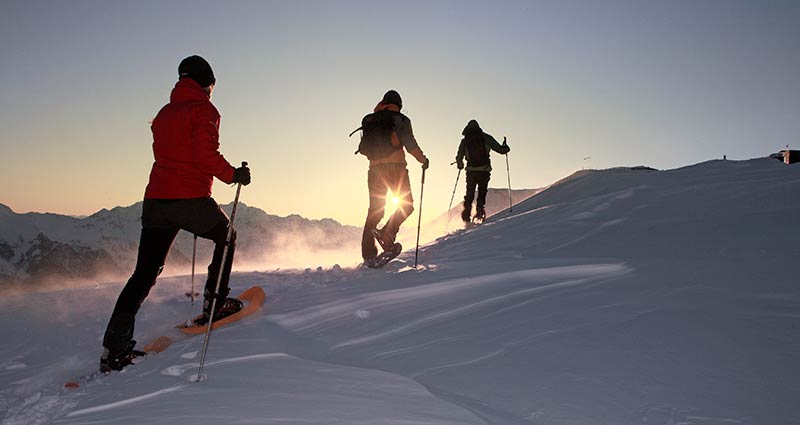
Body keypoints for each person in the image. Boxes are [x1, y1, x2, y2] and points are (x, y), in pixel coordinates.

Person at [100, 55, 251, 373]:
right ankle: (216, 302)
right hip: (190, 198)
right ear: (207, 82)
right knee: (226, 236)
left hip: (156, 199)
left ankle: (114, 349)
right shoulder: (204, 110)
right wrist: (233, 174)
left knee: (143, 274)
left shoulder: (164, 113)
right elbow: (204, 155)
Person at [357, 90, 429, 266]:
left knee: (375, 210)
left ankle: (368, 255)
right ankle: (388, 234)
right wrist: (423, 160)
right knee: (407, 205)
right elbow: (410, 144)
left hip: (375, 170)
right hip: (395, 168)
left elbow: (363, 147)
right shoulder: (401, 120)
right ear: (399, 105)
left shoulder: (369, 119)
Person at [455, 119, 510, 223]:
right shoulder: (485, 137)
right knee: (482, 191)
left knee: (469, 193)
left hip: (471, 171)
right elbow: (501, 150)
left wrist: (460, 164)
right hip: (484, 170)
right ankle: (480, 210)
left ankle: (466, 213)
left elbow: (459, 156)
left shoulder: (465, 141)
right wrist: (505, 147)